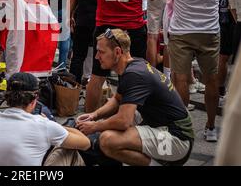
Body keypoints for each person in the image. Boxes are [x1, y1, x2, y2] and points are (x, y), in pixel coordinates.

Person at [77, 29, 194, 166]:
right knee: (112, 120)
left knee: (107, 140)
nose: (97, 57)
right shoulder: (133, 64)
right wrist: (93, 115)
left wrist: (94, 127)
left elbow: (123, 121)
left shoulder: (134, 75)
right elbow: (117, 99)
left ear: (117, 52)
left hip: (177, 140)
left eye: (101, 52)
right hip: (166, 128)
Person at [164, 0, 225, 142]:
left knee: (180, 78)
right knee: (211, 79)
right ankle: (210, 127)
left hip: (181, 30)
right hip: (209, 31)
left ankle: (184, 127)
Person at [0, 72, 90, 166]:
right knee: (69, 150)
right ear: (34, 100)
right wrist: (54, 125)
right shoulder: (44, 125)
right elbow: (86, 143)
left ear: (7, 98)